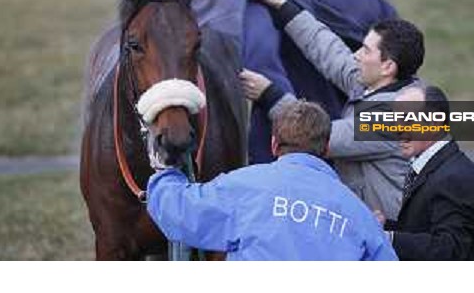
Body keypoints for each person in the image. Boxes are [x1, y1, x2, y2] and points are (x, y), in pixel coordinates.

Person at [239, 0, 425, 220]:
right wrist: (284, 7)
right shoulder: (380, 84)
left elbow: (312, 135)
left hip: (389, 236)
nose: (356, 55)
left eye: (366, 51)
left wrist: (268, 94)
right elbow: (330, 52)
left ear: (388, 66)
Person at [147, 101, 397, 261]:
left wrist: (164, 172)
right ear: (327, 147)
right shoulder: (359, 215)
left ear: (274, 144)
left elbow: (181, 212)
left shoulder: (243, 187)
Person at [378, 85, 474, 261]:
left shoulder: (454, 178)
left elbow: (449, 250)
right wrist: (384, 227)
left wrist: (390, 239)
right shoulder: (432, 166)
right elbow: (423, 227)